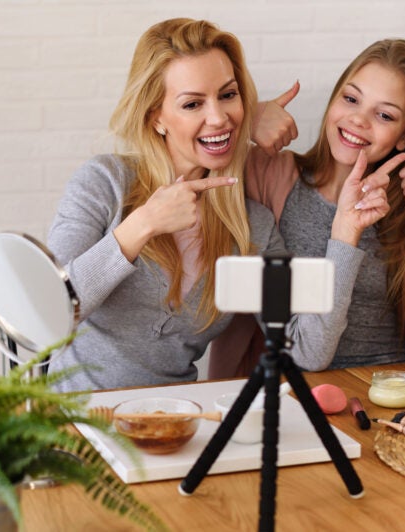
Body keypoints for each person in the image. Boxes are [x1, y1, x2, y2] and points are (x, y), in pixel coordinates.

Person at [210, 39, 405, 378]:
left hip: (397, 389)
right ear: (333, 101)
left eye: (384, 115)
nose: (358, 120)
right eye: (351, 98)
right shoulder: (267, 175)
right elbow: (189, 164)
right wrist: (245, 120)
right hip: (299, 389)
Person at [47, 18, 286, 392]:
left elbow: (307, 351)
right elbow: (51, 313)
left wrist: (345, 234)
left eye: (228, 95)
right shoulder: (104, 183)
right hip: (77, 422)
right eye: (192, 103)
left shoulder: (253, 226)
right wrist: (141, 225)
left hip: (176, 422)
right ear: (156, 116)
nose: (219, 118)